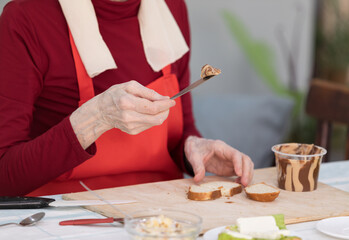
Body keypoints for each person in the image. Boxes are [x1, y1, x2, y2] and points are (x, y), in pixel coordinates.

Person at [0, 0, 254, 196]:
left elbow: (179, 130)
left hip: (159, 215)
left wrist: (194, 149)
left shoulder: (170, 8)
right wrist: (96, 118)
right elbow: (4, 176)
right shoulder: (26, 18)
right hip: (65, 220)